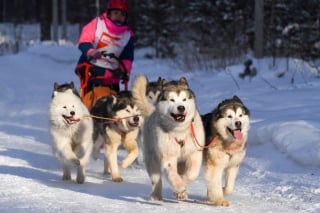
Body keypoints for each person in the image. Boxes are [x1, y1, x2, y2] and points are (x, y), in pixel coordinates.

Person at [75, 0, 134, 96]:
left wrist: (124, 71)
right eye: (116, 13)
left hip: (113, 75)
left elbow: (127, 57)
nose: (119, 16)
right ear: (109, 13)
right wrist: (90, 51)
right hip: (92, 69)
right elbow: (84, 40)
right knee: (90, 102)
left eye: (122, 14)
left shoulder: (127, 35)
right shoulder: (98, 24)